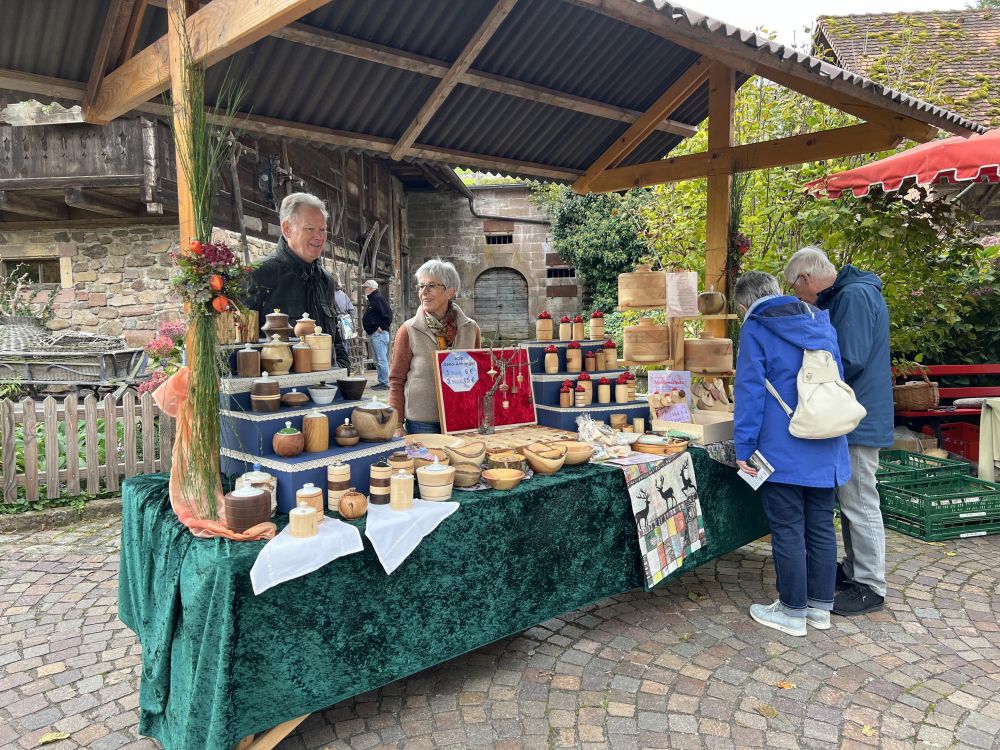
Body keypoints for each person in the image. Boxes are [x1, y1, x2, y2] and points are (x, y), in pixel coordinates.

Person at [733, 271, 850, 637]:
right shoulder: (820, 321)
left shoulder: (757, 328)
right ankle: (819, 607)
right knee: (819, 526)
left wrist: (744, 447)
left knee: (787, 528)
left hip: (781, 446)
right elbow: (837, 379)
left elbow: (750, 392)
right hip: (827, 442)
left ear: (744, 305)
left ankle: (791, 610)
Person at [784, 247, 892, 616]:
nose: (799, 297)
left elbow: (847, 357)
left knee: (860, 500)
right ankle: (854, 569)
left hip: (856, 416)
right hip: (854, 413)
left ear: (806, 279)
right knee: (851, 500)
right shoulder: (853, 293)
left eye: (796, 290)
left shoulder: (854, 296)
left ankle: (870, 585)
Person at [247, 193, 349, 369]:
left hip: (325, 389)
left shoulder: (326, 280)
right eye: (310, 229)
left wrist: (344, 372)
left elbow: (335, 339)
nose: (319, 237)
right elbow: (242, 343)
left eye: (323, 230)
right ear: (287, 229)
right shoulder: (258, 275)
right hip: (276, 389)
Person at [389, 259, 480, 435]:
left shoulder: (470, 329)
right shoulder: (408, 330)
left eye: (431, 286)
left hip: (461, 418)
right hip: (422, 421)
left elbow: (478, 376)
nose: (423, 292)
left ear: (450, 292)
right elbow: (396, 380)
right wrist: (397, 424)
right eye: (421, 286)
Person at [361, 279, 393, 391]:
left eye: (366, 287)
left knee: (381, 359)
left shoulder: (377, 298)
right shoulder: (374, 299)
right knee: (377, 360)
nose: (364, 289)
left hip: (378, 334)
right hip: (375, 334)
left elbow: (388, 314)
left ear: (371, 288)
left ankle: (385, 383)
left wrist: (382, 327)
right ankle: (382, 381)